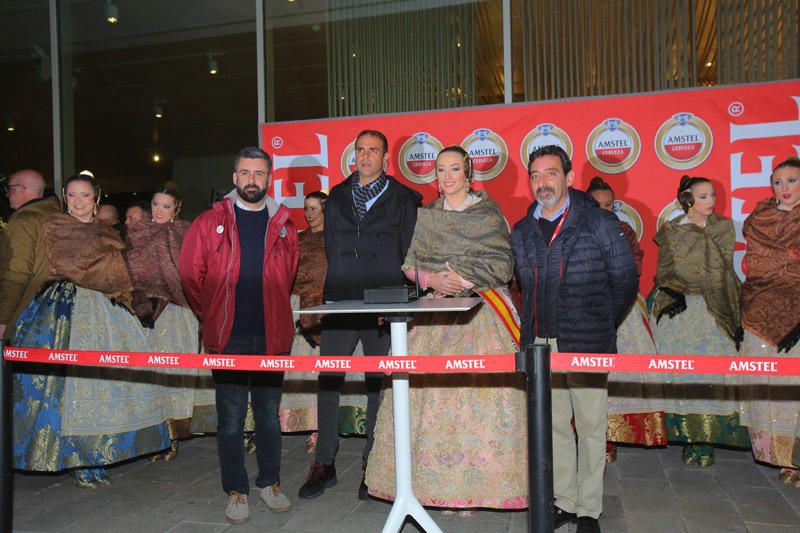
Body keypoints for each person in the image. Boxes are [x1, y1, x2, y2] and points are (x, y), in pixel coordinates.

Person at [366, 146, 527, 514]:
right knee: (428, 402)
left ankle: (481, 489)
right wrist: (433, 278)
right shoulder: (427, 217)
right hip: (436, 310)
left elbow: (503, 262)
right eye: (440, 170)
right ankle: (432, 489)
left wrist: (465, 279)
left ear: (468, 173)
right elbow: (409, 264)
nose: (447, 176)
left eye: (454, 169)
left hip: (483, 311)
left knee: (477, 401)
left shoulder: (488, 214)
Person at [11, 171, 172, 488]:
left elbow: (126, 273)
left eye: (84, 195)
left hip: (108, 310)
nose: (78, 202)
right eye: (71, 195)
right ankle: (75, 458)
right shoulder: (54, 227)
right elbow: (79, 267)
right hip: (63, 310)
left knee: (107, 386)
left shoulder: (107, 232)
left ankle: (98, 453)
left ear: (96, 199)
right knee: (66, 390)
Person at [512, 146, 638, 533]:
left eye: (550, 173)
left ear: (568, 178)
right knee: (554, 428)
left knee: (590, 425)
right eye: (535, 175)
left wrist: (599, 324)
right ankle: (564, 501)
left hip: (587, 342)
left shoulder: (598, 222)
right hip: (540, 346)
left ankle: (588, 510)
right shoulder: (522, 229)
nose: (542, 182)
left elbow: (625, 282)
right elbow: (520, 287)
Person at [298, 129, 421, 500]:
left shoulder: (403, 197)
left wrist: (402, 302)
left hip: (384, 304)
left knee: (378, 384)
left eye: (374, 150)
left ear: (385, 158)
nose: (366, 155)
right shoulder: (336, 196)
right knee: (328, 380)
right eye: (360, 149)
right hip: (342, 302)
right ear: (354, 156)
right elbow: (333, 250)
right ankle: (325, 463)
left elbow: (410, 252)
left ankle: (373, 464)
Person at [179, 147, 298, 524]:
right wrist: (212, 313)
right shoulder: (208, 221)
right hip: (227, 336)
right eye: (245, 173)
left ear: (269, 178)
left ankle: (270, 483)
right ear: (234, 178)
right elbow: (189, 275)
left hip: (271, 335)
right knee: (230, 419)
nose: (251, 180)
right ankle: (236, 490)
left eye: (259, 173)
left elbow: (289, 274)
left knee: (267, 416)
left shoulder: (284, 224)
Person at [650, 175, 748, 468]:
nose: (711, 202)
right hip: (681, 310)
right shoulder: (672, 231)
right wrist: (674, 291)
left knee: (712, 374)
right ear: (687, 199)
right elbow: (666, 270)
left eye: (713, 195)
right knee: (680, 373)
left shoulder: (723, 228)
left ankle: (707, 441)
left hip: (715, 307)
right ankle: (686, 437)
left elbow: (722, 270)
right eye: (703, 196)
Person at [586, 177, 666, 463]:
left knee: (622, 373)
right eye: (598, 205)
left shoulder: (624, 230)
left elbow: (634, 266)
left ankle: (613, 437)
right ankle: (592, 439)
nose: (605, 210)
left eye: (610, 205)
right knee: (588, 378)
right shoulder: (578, 231)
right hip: (587, 308)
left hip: (622, 306)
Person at [738, 157, 800, 487]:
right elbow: (757, 269)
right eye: (778, 182)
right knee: (769, 389)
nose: (784, 188)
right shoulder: (759, 219)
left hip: (798, 315)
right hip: (760, 310)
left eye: (791, 181)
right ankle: (781, 457)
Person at [125, 186, 199, 461]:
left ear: (176, 208)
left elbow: (189, 272)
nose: (159, 211)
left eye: (166, 206)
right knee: (149, 375)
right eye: (156, 204)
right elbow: (129, 272)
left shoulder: (184, 233)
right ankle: (153, 434)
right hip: (141, 312)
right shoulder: (137, 233)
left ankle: (172, 436)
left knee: (173, 374)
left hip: (176, 313)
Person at [0, 169, 61, 340]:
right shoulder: (58, 218)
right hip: (53, 315)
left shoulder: (23, 221)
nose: (7, 194)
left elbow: (16, 275)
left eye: (10, 188)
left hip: (25, 317)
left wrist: (3, 319)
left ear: (23, 188)